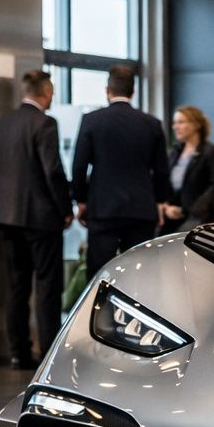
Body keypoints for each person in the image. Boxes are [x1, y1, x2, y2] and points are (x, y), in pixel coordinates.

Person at [0, 70, 73, 369]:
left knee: (17, 285)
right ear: (46, 92)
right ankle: (48, 354)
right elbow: (53, 170)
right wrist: (65, 208)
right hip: (41, 218)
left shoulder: (4, 123)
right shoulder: (45, 123)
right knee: (47, 286)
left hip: (7, 216)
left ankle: (18, 353)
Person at [71, 64, 171, 279]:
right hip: (141, 210)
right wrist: (160, 202)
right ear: (133, 91)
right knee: (140, 275)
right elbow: (162, 170)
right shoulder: (152, 124)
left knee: (99, 274)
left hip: (103, 208)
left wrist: (81, 200)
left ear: (107, 90)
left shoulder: (92, 120)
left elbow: (79, 166)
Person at [162, 105, 214, 233]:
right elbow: (164, 183)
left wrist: (192, 210)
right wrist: (167, 207)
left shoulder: (210, 152)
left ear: (196, 125)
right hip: (171, 218)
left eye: (181, 122)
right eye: (175, 123)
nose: (175, 127)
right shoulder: (174, 152)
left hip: (198, 219)